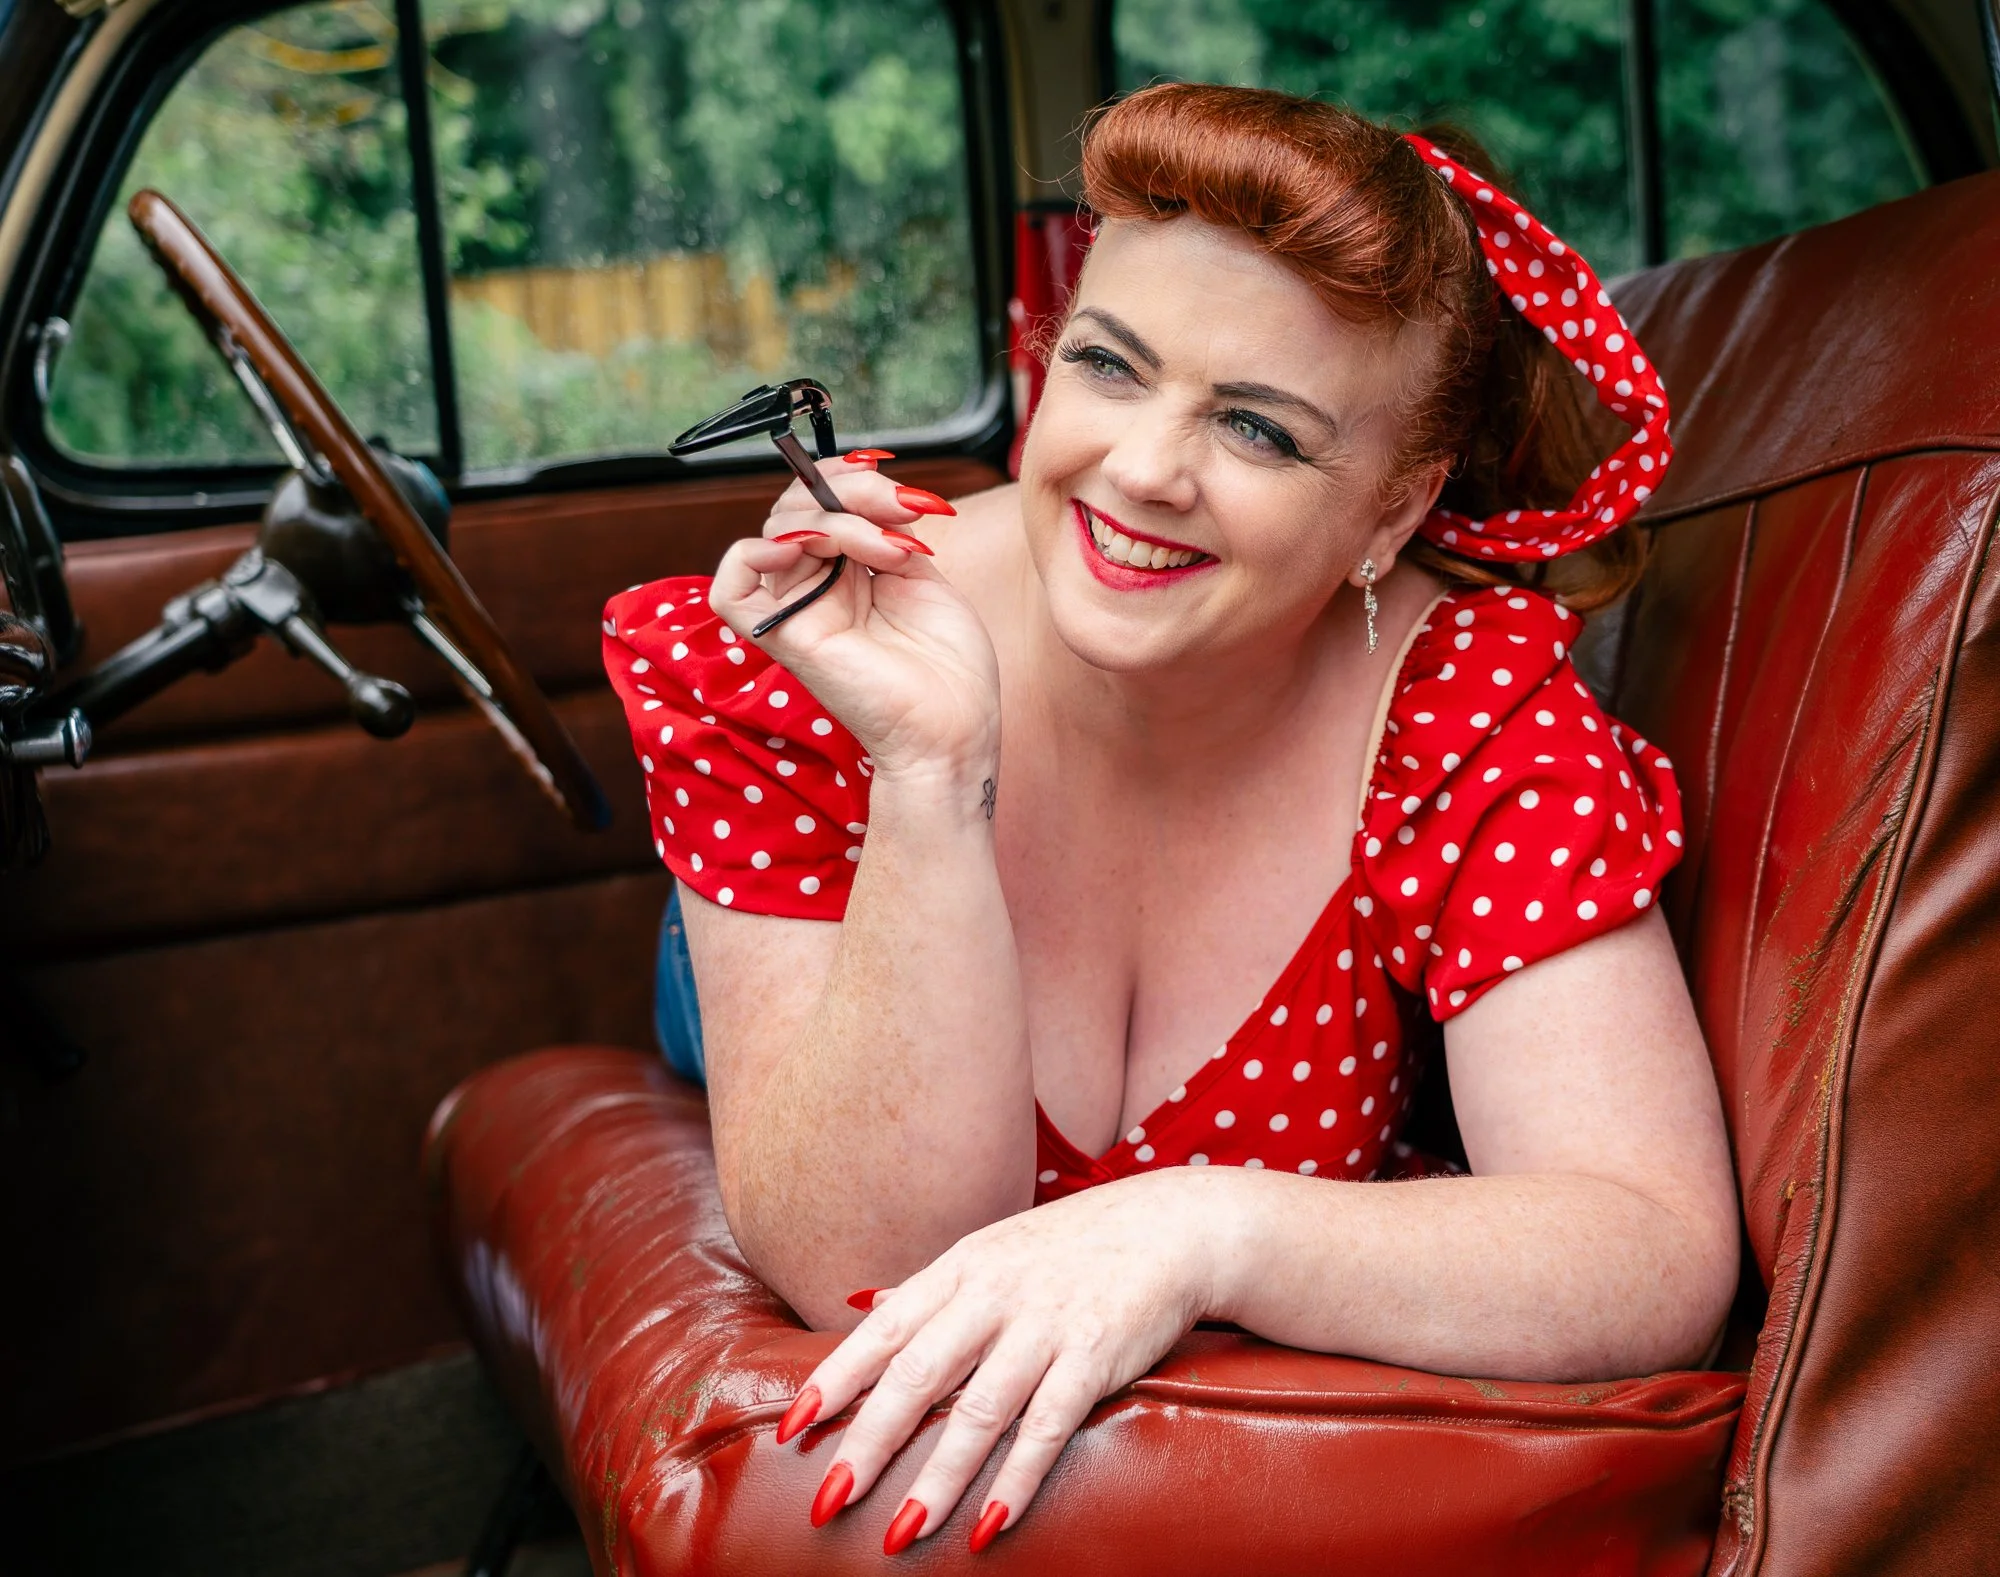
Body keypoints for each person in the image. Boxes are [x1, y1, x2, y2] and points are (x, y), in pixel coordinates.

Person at [603, 82, 1738, 1558]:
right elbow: (872, 1270)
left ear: (1395, 511)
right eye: (1110, 366)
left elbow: (1648, 1246)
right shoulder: (804, 665)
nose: (1144, 470)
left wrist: (1204, 1224)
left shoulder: (1468, 716)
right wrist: (931, 777)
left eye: (1260, 429)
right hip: (772, 940)